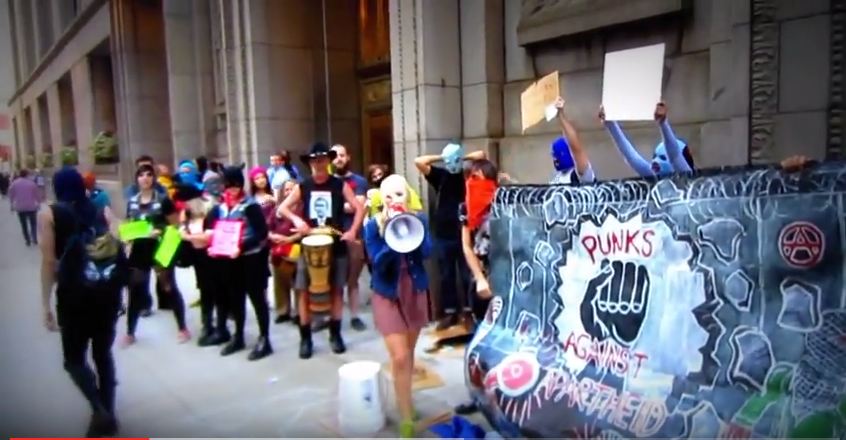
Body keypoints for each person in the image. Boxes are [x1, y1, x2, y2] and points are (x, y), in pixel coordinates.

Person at [38, 166, 127, 437]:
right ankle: (108, 413)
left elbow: (49, 262)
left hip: (73, 296)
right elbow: (121, 239)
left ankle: (99, 408)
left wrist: (45, 303)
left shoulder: (49, 213)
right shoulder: (101, 208)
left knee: (74, 359)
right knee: (102, 354)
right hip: (106, 293)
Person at [277, 142, 365, 359]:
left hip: (336, 244)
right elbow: (282, 208)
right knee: (304, 291)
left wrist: (352, 231)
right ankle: (305, 338)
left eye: (323, 159)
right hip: (309, 245)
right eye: (315, 160)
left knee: (337, 290)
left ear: (328, 161)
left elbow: (359, 208)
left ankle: (335, 334)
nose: (319, 163)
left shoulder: (338, 184)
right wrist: (297, 220)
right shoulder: (304, 186)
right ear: (309, 163)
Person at [364, 174, 431, 438]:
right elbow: (377, 263)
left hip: (413, 289)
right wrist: (391, 237)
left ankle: (406, 399)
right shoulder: (373, 225)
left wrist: (410, 227)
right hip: (387, 292)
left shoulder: (419, 219)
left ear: (408, 196)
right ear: (382, 199)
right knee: (400, 356)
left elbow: (427, 252)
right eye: (388, 196)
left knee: (409, 353)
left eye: (399, 194)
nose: (394, 200)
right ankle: (405, 418)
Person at [203, 165, 273, 360]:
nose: (233, 188)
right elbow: (211, 229)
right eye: (229, 184)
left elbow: (262, 233)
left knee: (257, 300)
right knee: (235, 299)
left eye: (236, 184)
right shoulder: (220, 207)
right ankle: (238, 336)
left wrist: (241, 247)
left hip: (251, 259)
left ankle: (264, 339)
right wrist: (213, 245)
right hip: (228, 261)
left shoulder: (250, 206)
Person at [414, 144, 486, 330]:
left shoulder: (468, 175)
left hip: (465, 233)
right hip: (443, 233)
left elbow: (482, 155)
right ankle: (450, 312)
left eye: (455, 160)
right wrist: (443, 156)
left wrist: (462, 157)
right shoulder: (440, 175)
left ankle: (470, 311)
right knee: (446, 275)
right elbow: (419, 162)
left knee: (467, 274)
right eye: (450, 160)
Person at [120, 165, 190, 346]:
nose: (145, 178)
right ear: (137, 179)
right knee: (135, 289)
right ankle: (130, 332)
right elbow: (130, 224)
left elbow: (175, 225)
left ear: (153, 179)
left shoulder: (163, 200)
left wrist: (160, 231)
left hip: (160, 247)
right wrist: (128, 236)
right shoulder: (132, 201)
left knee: (168, 287)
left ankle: (182, 328)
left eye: (149, 175)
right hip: (140, 249)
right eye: (141, 175)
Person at [454, 159, 499, 416]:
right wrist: (480, 278)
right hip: (480, 278)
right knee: (479, 340)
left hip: (505, 279)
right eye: (470, 178)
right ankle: (477, 395)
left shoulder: (503, 202)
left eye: (479, 178)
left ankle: (502, 395)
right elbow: (466, 245)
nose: (473, 183)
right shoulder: (465, 207)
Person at [331, 144, 370, 331]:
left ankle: (355, 316)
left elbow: (358, 206)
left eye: (341, 155)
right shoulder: (328, 182)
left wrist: (336, 206)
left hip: (354, 235)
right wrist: (346, 205)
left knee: (352, 279)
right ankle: (333, 317)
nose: (338, 159)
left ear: (348, 157)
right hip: (332, 236)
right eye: (335, 156)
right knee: (335, 280)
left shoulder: (359, 181)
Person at [601, 101, 694, 177]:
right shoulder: (654, 177)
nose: (655, 161)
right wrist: (610, 123)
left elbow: (674, 155)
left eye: (663, 157)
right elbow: (631, 157)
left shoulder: (687, 176)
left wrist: (663, 123)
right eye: (655, 156)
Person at [268, 180, 303, 324]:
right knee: (280, 281)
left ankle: (300, 312)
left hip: (296, 247)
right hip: (278, 249)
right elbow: (268, 227)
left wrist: (289, 239)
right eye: (286, 190)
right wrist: (272, 236)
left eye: (292, 189)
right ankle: (283, 311)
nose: (289, 192)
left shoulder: (303, 208)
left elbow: (307, 228)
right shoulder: (277, 208)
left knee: (298, 282)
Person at [549, 96, 596, 184]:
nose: (555, 160)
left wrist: (560, 115)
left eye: (559, 153)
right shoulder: (556, 179)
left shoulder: (583, 175)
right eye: (554, 155)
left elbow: (576, 149)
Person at [9, 168, 41, 246]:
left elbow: (11, 195)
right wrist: (39, 204)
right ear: (27, 174)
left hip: (20, 207)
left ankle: (27, 240)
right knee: (33, 223)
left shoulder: (14, 183)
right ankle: (34, 238)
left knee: (24, 225)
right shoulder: (32, 183)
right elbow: (36, 195)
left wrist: (12, 205)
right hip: (32, 206)